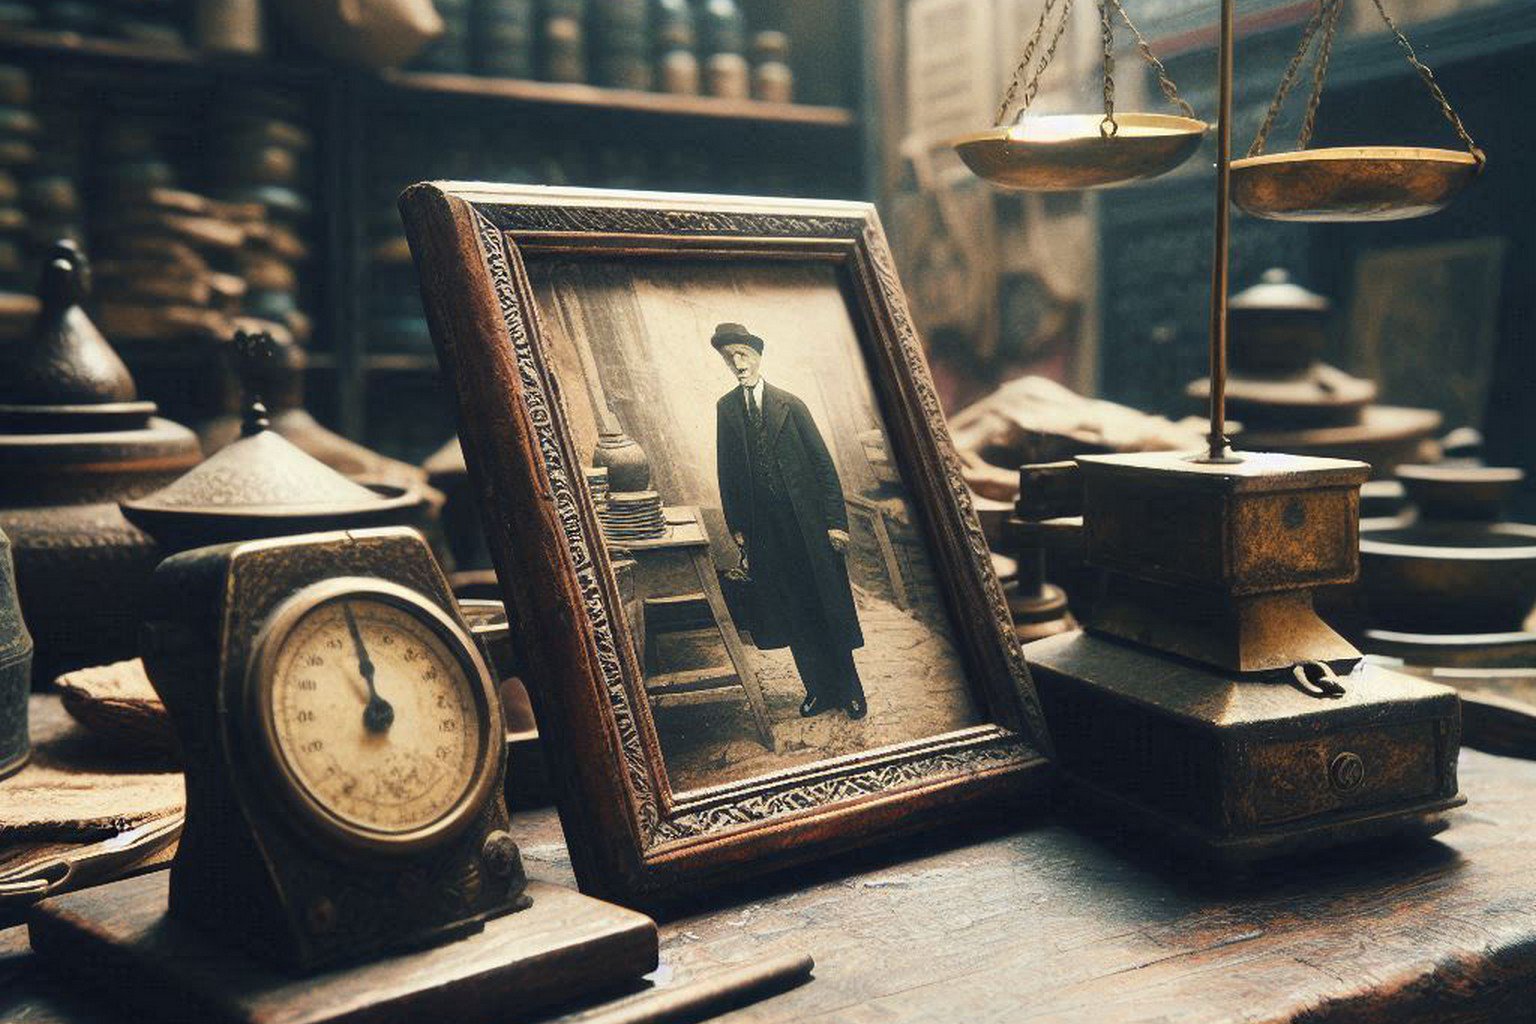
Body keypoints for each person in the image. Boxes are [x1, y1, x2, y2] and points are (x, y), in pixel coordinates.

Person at [712, 322, 867, 720]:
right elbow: (727, 472)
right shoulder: (726, 409)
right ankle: (818, 690)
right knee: (793, 610)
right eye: (730, 358)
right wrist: (737, 526)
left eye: (743, 355)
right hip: (766, 533)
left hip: (809, 528)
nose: (738, 364)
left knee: (826, 606)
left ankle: (850, 690)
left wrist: (835, 522)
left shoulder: (791, 405)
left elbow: (823, 466)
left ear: (757, 357)